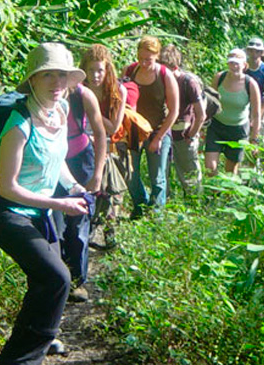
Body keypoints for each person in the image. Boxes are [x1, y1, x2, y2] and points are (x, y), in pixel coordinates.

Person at [0, 42, 89, 365]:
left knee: (49, 281)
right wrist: (59, 205)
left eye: (62, 74)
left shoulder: (61, 109)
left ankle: (42, 339)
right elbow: (7, 187)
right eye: (48, 75)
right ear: (33, 80)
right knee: (56, 277)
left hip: (41, 211)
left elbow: (57, 164)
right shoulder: (18, 124)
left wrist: (74, 187)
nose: (56, 82)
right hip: (9, 213)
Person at [53, 76, 106, 303]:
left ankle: (78, 281)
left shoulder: (83, 95)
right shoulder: (40, 99)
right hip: (53, 162)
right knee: (55, 226)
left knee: (78, 226)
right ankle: (59, 278)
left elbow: (100, 133)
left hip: (81, 159)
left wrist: (98, 173)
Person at [122, 35, 179, 218]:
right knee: (131, 174)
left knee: (158, 177)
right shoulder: (130, 71)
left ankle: (156, 214)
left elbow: (174, 110)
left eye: (149, 59)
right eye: (141, 58)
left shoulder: (165, 75)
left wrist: (159, 137)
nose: (144, 63)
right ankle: (140, 206)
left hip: (158, 129)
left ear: (157, 56)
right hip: (133, 131)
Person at [80, 43, 128, 248]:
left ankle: (110, 235)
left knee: (111, 192)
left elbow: (113, 127)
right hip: (81, 144)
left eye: (100, 70)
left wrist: (92, 110)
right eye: (91, 70)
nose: (95, 75)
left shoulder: (117, 91)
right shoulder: (77, 88)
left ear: (107, 69)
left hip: (108, 146)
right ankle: (86, 231)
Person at [205, 48, 261, 176]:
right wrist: (203, 124)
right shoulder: (219, 78)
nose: (234, 66)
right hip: (216, 127)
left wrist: (254, 140)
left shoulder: (251, 84)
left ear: (244, 65)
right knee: (210, 167)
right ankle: (214, 195)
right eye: (231, 63)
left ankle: (227, 196)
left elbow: (256, 115)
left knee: (230, 172)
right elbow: (210, 103)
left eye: (237, 63)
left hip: (238, 130)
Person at [159, 44, 206, 195]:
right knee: (162, 173)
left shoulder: (188, 82)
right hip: (165, 133)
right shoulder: (159, 79)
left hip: (184, 134)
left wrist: (191, 135)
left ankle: (195, 204)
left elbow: (201, 114)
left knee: (189, 175)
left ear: (175, 67)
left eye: (167, 69)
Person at [245, 37, 264, 140]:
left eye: (257, 51)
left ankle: (256, 153)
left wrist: (259, 114)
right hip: (244, 102)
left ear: (261, 53)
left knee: (259, 132)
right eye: (251, 51)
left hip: (262, 102)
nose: (254, 54)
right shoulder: (243, 67)